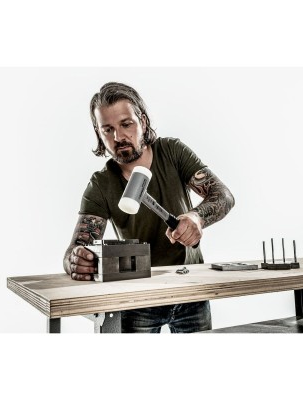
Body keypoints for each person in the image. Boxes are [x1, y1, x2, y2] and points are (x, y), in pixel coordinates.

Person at [63, 82, 235, 333]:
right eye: (107, 129)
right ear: (99, 133)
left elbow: (224, 196)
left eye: (126, 124)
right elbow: (75, 249)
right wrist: (76, 261)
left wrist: (197, 217)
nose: (118, 137)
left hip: (191, 287)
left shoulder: (172, 152)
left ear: (142, 121)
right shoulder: (101, 184)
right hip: (138, 297)